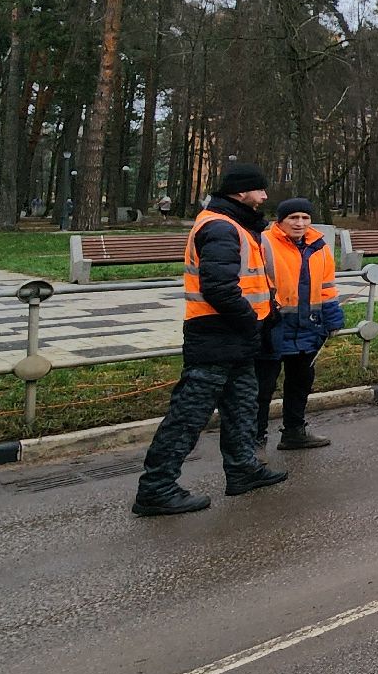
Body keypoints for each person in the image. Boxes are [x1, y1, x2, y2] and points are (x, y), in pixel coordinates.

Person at [131, 163, 287, 516]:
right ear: (240, 193)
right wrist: (250, 319)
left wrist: (267, 311)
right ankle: (156, 488)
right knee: (188, 415)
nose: (264, 196)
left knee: (241, 407)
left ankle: (243, 469)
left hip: (236, 335)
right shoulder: (220, 227)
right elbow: (218, 287)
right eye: (259, 190)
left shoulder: (234, 224)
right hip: (218, 334)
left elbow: (246, 281)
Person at [256, 198, 343, 450]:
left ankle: (294, 431)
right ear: (280, 221)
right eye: (293, 218)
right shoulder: (264, 243)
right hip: (273, 326)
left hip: (307, 327)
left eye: (305, 218)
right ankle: (255, 438)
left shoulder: (318, 246)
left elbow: (326, 286)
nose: (300, 223)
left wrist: (332, 315)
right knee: (263, 386)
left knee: (300, 382)